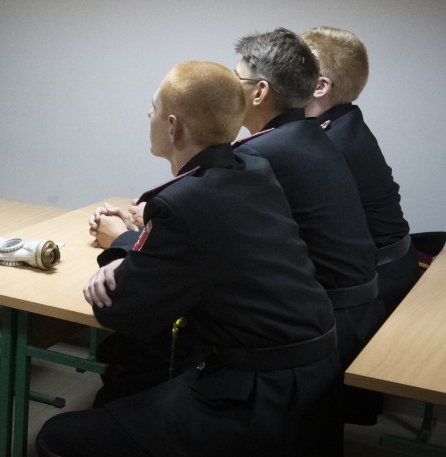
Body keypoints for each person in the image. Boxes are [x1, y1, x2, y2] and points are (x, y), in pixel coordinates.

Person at [36, 61, 342, 457]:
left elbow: (122, 313)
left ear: (174, 127)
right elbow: (202, 254)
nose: (148, 115)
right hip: (314, 377)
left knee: (56, 437)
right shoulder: (252, 167)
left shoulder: (184, 202)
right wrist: (134, 254)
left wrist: (120, 264)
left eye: (154, 108)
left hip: (256, 397)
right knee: (140, 378)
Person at [233, 28, 383, 424]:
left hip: (326, 320)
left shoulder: (265, 151)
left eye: (237, 80)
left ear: (260, 91)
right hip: (357, 299)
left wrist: (134, 233)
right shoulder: (315, 136)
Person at [301, 25, 419, 314]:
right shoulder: (345, 123)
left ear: (319, 86)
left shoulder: (326, 145)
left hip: (379, 291)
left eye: (293, 71)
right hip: (393, 271)